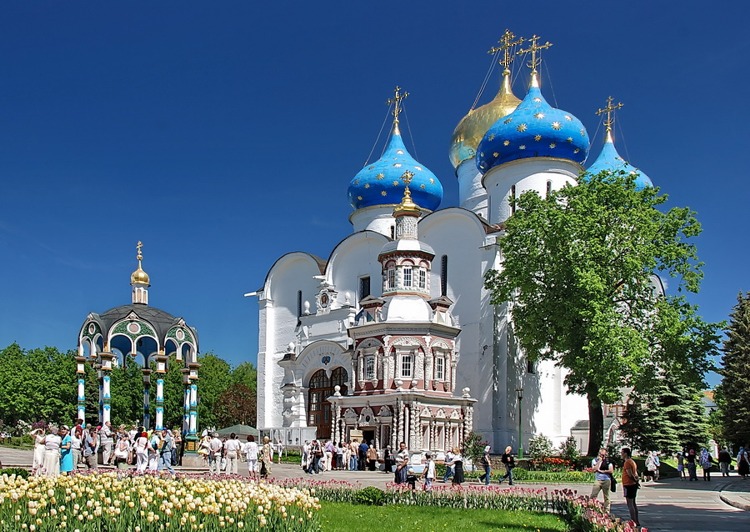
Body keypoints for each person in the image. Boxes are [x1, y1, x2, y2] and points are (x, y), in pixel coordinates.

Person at [620, 447, 640, 528]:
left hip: (628, 484)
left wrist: (635, 481)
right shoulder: (632, 461)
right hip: (632, 484)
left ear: (625, 453)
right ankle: (636, 520)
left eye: (622, 453)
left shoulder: (627, 462)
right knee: (633, 503)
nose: (621, 454)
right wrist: (636, 481)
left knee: (630, 504)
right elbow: (635, 473)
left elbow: (630, 474)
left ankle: (633, 521)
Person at [590, 448, 613, 514]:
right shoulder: (594, 460)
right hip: (598, 479)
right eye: (601, 455)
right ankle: (591, 509)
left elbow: (611, 470)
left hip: (606, 480)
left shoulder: (608, 461)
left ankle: (606, 511)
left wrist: (602, 471)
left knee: (606, 497)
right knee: (593, 495)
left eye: (604, 455)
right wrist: (599, 461)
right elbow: (594, 469)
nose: (602, 456)